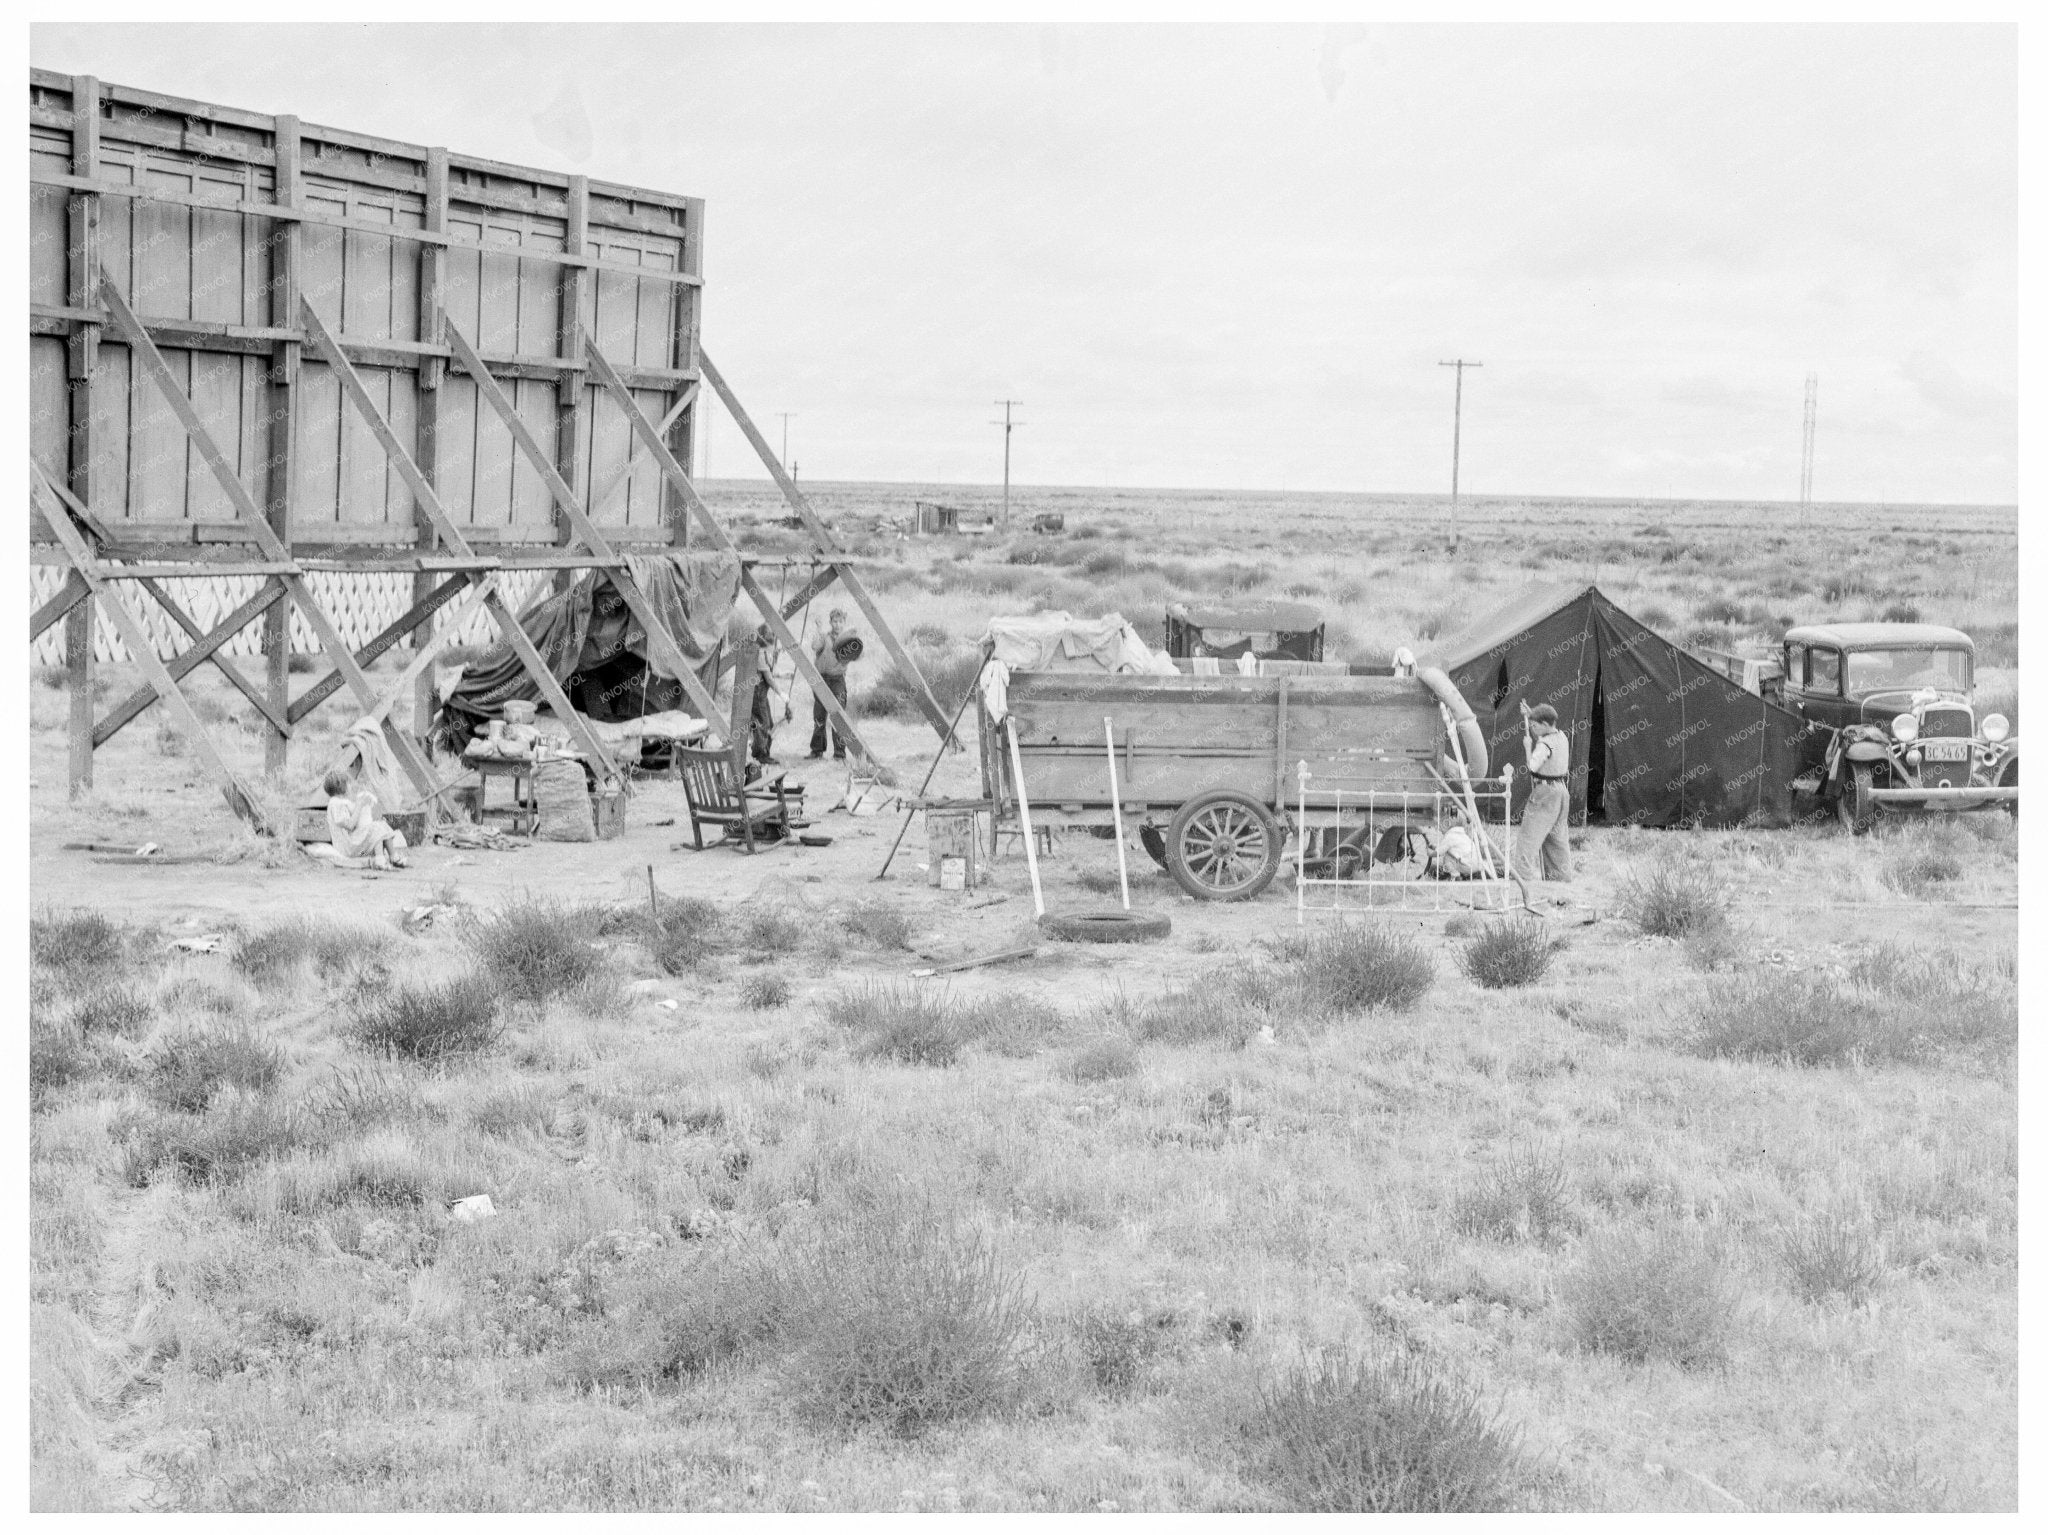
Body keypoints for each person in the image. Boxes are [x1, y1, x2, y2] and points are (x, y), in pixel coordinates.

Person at [1513, 701, 1572, 883]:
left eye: (1534, 725)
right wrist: (1531, 714)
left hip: (1545, 792)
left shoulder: (1543, 744)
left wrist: (1527, 747)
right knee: (1557, 838)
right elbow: (1544, 730)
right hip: (1562, 791)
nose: (1532, 728)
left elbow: (1532, 767)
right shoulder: (1561, 736)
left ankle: (1522, 877)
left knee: (1528, 836)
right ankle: (1560, 878)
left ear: (1545, 724)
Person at [324, 768, 408, 869]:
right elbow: (350, 826)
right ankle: (380, 860)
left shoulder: (339, 802)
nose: (350, 787)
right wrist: (359, 805)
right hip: (348, 849)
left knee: (381, 825)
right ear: (341, 785)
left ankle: (392, 857)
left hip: (357, 848)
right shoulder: (335, 804)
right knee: (376, 827)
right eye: (348, 784)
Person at [808, 608, 857, 760]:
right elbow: (815, 646)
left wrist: (854, 639)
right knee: (819, 716)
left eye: (840, 621)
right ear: (830, 623)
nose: (837, 624)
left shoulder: (849, 639)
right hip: (821, 679)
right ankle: (817, 751)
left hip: (837, 680)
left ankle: (839, 754)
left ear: (844, 623)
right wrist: (818, 629)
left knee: (838, 717)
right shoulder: (824, 637)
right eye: (835, 621)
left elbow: (858, 655)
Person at [749, 623, 780, 765]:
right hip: (757, 693)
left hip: (761, 693)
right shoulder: (760, 654)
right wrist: (782, 694)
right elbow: (768, 678)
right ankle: (760, 754)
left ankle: (763, 752)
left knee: (769, 723)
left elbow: (769, 672)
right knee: (764, 723)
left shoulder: (764, 653)